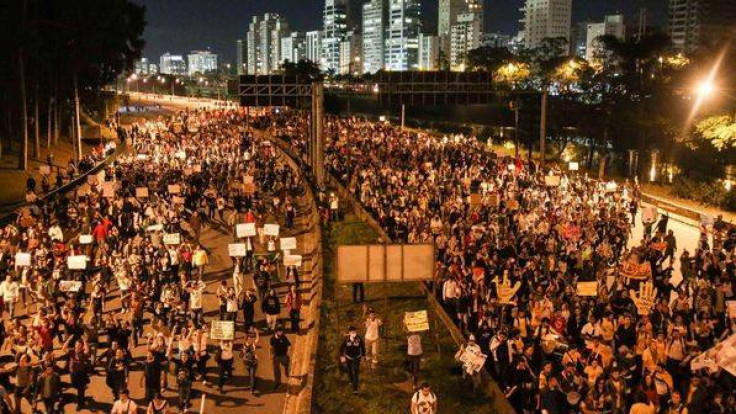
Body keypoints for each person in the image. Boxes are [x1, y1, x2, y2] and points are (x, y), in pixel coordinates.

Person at [340, 325, 366, 395]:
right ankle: (351, 380)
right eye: (352, 332)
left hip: (357, 358)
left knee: (355, 372)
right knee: (349, 370)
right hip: (348, 358)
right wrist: (342, 356)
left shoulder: (359, 339)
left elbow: (363, 347)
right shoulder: (346, 339)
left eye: (355, 331)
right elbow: (342, 347)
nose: (354, 333)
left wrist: (363, 356)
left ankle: (355, 389)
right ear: (349, 332)